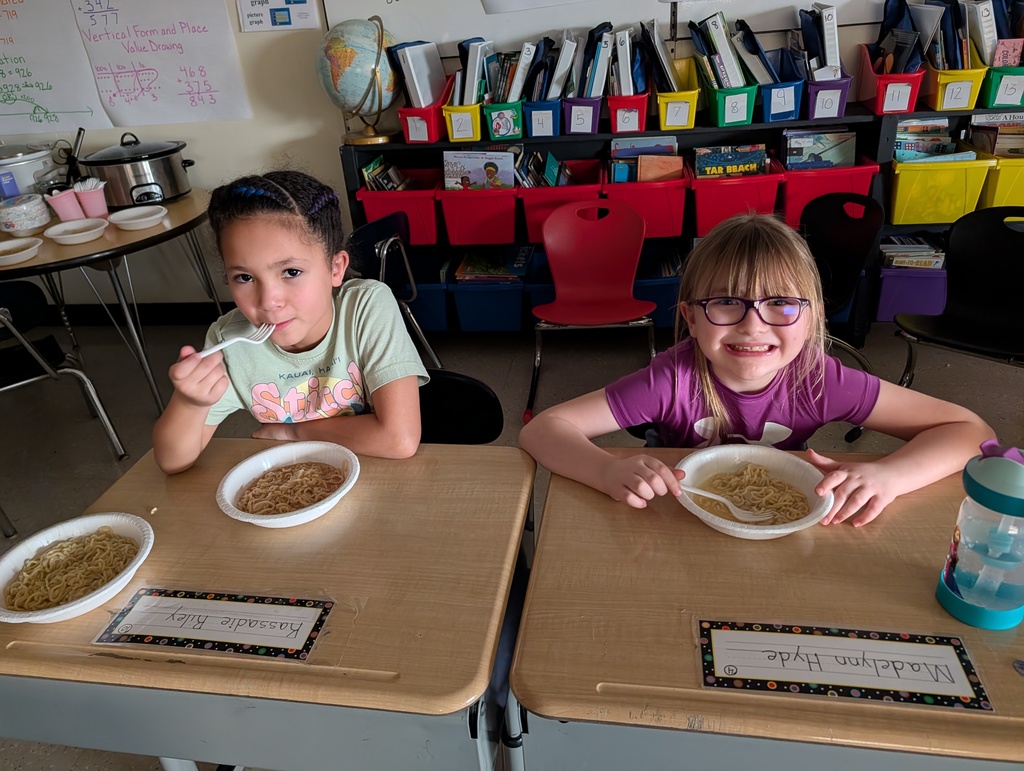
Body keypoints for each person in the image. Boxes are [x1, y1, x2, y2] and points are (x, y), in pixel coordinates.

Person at [519, 213, 994, 527]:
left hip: (781, 520)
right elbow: (543, 430)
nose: (753, 326)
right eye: (725, 303)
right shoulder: (671, 378)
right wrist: (605, 469)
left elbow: (970, 431)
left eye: (781, 304)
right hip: (677, 515)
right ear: (689, 317)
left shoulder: (819, 378)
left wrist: (890, 475)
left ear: (811, 316)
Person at [153, 170, 428, 474]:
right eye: (244, 277)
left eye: (291, 272)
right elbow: (172, 461)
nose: (269, 301)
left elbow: (399, 440)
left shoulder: (366, 307)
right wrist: (189, 403)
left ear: (335, 269)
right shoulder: (228, 341)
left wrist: (294, 432)